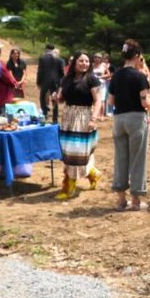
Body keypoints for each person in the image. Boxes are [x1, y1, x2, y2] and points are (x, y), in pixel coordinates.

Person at [109, 39, 150, 211]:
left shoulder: (116, 75)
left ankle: (121, 199)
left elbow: (111, 100)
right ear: (137, 56)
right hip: (136, 119)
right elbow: (145, 102)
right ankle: (135, 200)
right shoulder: (139, 76)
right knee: (137, 158)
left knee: (120, 158)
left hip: (119, 119)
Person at [56, 50, 104, 200]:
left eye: (87, 61)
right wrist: (56, 97)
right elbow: (61, 99)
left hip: (84, 118)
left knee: (77, 152)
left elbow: (98, 101)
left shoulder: (92, 79)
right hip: (69, 117)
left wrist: (94, 119)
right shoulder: (66, 79)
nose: (84, 64)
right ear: (74, 63)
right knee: (69, 153)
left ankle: (69, 185)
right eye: (81, 61)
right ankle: (93, 174)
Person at [36, 43, 65, 121]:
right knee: (54, 99)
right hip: (55, 82)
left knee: (42, 98)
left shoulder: (42, 58)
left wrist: (38, 82)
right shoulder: (59, 59)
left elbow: (40, 71)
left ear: (46, 49)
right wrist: (60, 83)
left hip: (45, 81)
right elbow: (62, 73)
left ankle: (44, 114)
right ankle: (55, 117)